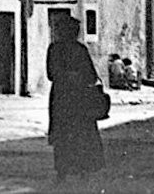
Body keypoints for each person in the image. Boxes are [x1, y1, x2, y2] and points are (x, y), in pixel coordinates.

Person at [47, 15, 105, 183]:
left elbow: (52, 75)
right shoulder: (79, 49)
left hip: (62, 99)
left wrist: (67, 77)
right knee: (80, 136)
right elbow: (91, 76)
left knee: (64, 136)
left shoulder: (54, 49)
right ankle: (81, 172)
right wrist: (76, 77)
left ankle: (63, 174)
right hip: (77, 99)